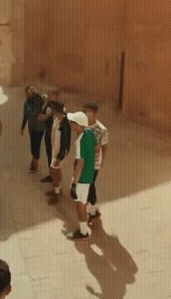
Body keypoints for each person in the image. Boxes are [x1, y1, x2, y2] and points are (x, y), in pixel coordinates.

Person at [65, 111, 97, 239]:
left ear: (78, 125)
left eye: (73, 123)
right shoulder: (90, 133)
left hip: (82, 178)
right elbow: (95, 148)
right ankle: (84, 226)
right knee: (82, 203)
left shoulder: (80, 141)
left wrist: (74, 183)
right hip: (89, 174)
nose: (71, 125)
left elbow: (80, 164)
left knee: (80, 205)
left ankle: (83, 232)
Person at [82, 102, 109, 222]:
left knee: (90, 184)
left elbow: (104, 146)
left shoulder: (101, 129)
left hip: (94, 161)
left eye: (87, 111)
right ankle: (93, 206)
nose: (85, 113)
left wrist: (102, 160)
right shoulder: (83, 125)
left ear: (94, 112)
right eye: (84, 111)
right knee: (87, 184)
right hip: (84, 159)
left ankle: (93, 209)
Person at [44, 101, 71, 205]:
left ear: (57, 111)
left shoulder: (64, 125)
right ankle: (57, 189)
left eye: (53, 110)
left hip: (60, 152)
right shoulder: (56, 120)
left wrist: (60, 157)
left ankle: (57, 194)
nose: (52, 111)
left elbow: (64, 143)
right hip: (54, 149)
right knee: (54, 169)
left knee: (55, 170)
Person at [38, 89, 63, 182]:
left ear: (55, 96)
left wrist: (46, 116)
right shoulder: (48, 105)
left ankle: (56, 179)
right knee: (50, 155)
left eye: (50, 95)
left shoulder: (59, 107)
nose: (48, 96)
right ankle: (51, 175)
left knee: (55, 156)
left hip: (55, 135)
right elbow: (41, 115)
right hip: (48, 132)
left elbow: (43, 117)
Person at [20, 86, 46, 173]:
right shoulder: (27, 103)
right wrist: (22, 128)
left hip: (39, 127)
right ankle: (34, 158)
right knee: (32, 145)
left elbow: (43, 101)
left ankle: (35, 163)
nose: (29, 94)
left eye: (30, 92)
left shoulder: (38, 100)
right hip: (31, 127)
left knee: (36, 145)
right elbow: (25, 116)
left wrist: (37, 93)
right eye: (27, 93)